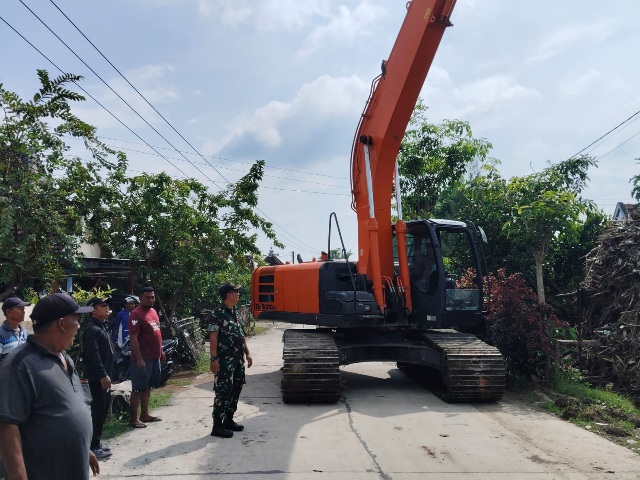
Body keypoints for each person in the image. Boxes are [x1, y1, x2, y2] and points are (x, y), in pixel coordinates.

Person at [0, 293, 99, 480]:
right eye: (76, 320)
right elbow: (7, 424)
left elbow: (69, 407)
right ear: (61, 324)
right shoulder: (20, 365)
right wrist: (18, 475)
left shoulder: (64, 357)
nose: (79, 326)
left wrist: (84, 449)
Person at [209, 283, 253, 438]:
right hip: (224, 361)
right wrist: (213, 359)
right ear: (229, 294)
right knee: (223, 391)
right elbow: (213, 337)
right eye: (236, 292)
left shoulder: (234, 312)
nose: (238, 294)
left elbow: (241, 336)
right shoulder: (217, 313)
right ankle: (217, 426)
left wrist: (247, 353)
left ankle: (228, 420)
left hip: (237, 359)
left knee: (236, 388)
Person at [82, 297, 115, 460]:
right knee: (97, 411)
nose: (107, 307)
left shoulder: (102, 326)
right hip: (97, 378)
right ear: (93, 310)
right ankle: (93, 447)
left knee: (101, 410)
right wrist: (102, 374)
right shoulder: (92, 329)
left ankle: (97, 443)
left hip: (105, 376)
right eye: (103, 305)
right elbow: (93, 354)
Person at [128, 286, 164, 428]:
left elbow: (157, 332)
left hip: (154, 357)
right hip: (142, 359)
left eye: (152, 297)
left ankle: (145, 414)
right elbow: (133, 339)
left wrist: (161, 350)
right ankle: (133, 419)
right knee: (137, 389)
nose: (151, 300)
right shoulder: (136, 315)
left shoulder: (154, 312)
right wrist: (139, 359)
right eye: (147, 297)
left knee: (147, 386)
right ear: (140, 298)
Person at [0, 297, 31, 363]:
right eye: (20, 308)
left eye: (23, 308)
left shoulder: (25, 333)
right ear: (8, 312)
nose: (23, 311)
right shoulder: (1, 334)